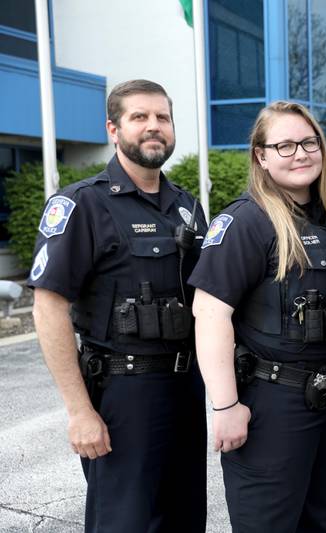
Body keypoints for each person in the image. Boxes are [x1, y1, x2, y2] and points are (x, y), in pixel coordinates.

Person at [189, 101, 326, 533]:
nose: (300, 154)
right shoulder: (245, 222)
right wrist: (226, 405)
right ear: (261, 156)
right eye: (285, 145)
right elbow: (210, 313)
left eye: (309, 142)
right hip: (272, 405)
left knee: (316, 521)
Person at [29, 79, 208, 532]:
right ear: (113, 129)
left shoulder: (186, 207)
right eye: (139, 117)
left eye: (162, 118)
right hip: (123, 394)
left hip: (186, 389)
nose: (154, 127)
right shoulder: (82, 204)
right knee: (124, 521)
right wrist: (79, 411)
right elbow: (48, 308)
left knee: (185, 517)